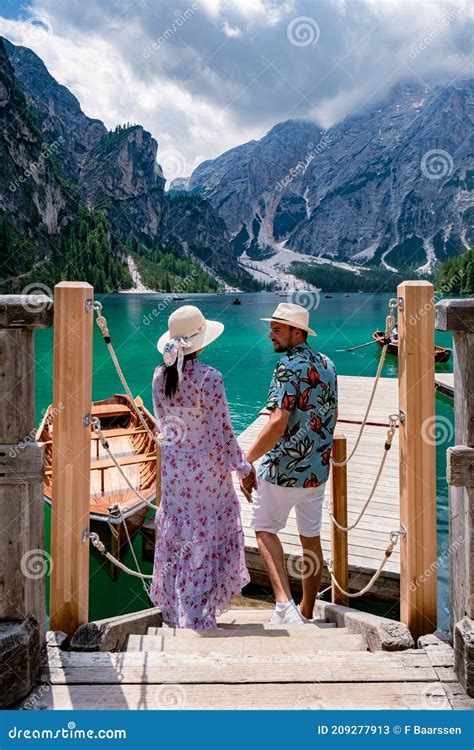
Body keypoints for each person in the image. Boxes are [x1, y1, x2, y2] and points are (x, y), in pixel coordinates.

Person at [150, 305, 256, 629]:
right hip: (206, 479)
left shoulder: (159, 375)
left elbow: (164, 429)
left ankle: (180, 612)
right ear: (202, 342)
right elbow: (222, 434)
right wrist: (245, 469)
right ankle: (194, 618)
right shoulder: (210, 378)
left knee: (181, 538)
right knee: (204, 540)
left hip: (174, 477)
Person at [241, 302, 338, 624]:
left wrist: (246, 460)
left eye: (278, 329)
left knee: (264, 529)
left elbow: (277, 422)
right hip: (317, 471)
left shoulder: (287, 367)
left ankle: (284, 606)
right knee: (310, 538)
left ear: (297, 333)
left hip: (284, 470)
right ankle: (307, 609)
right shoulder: (327, 364)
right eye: (272, 328)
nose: (271, 335)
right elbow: (329, 414)